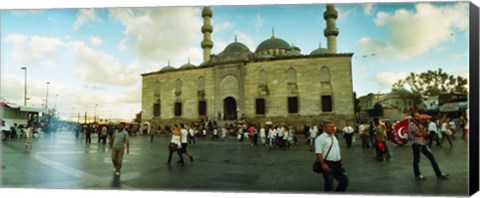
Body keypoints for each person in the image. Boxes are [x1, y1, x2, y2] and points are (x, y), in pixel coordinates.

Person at [408, 112, 449, 181]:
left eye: (419, 116)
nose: (418, 117)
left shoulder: (420, 123)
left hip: (423, 143)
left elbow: (426, 132)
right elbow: (418, 134)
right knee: (416, 160)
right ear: (413, 117)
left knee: (432, 158)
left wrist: (423, 132)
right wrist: (423, 133)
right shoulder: (411, 124)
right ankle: (417, 175)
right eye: (416, 116)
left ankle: (439, 174)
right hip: (416, 144)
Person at [315, 120, 348, 192]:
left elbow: (336, 149)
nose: (333, 128)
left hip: (338, 164)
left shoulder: (334, 137)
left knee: (344, 182)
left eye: (333, 127)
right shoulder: (320, 139)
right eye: (330, 127)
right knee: (329, 185)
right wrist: (323, 164)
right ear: (324, 128)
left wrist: (340, 159)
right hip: (328, 164)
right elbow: (318, 153)